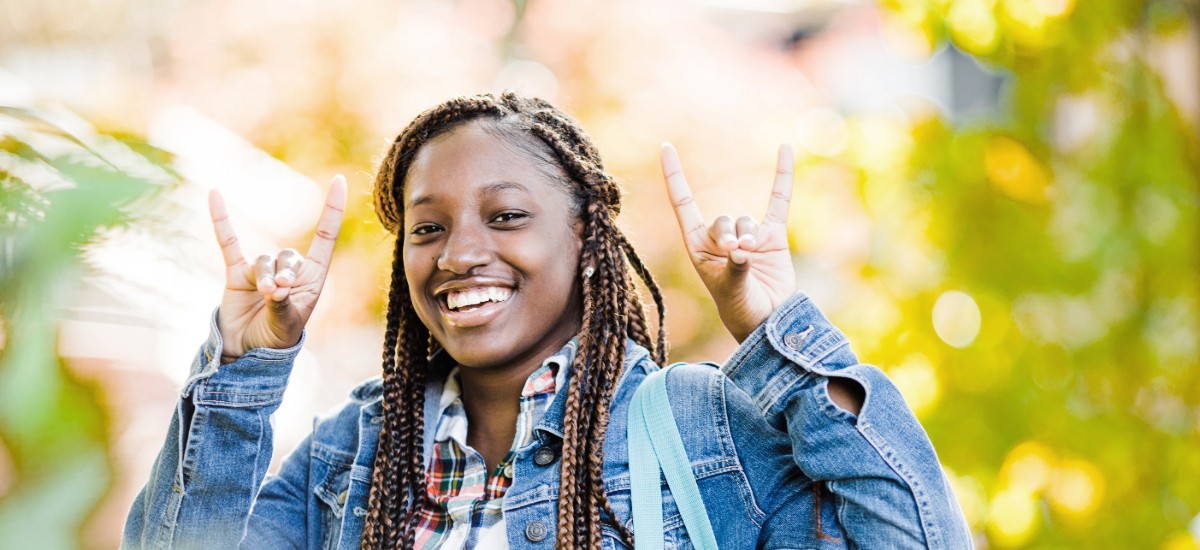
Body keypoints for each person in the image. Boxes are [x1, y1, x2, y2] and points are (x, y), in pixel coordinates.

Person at [122, 92, 971, 549]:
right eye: (428, 227)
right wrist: (241, 367)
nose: (458, 255)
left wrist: (779, 336)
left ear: (590, 244)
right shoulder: (353, 458)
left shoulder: (700, 428)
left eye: (505, 216)